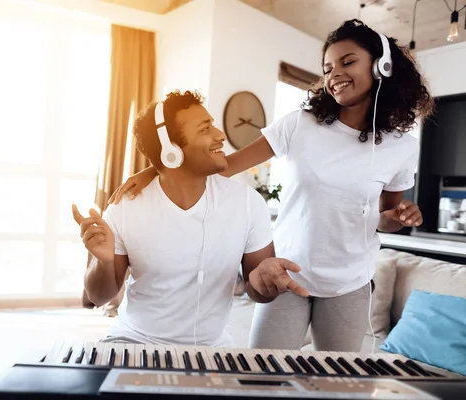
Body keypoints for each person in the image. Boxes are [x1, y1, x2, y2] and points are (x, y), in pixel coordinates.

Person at [107, 20, 434, 352]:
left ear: (382, 66)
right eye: (328, 67)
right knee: (262, 376)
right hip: (285, 273)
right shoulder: (300, 124)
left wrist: (401, 217)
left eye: (347, 62)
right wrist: (157, 168)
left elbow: (384, 218)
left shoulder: (401, 148)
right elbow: (225, 166)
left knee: (336, 385)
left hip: (349, 283)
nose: (335, 73)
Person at [71, 89, 308, 347]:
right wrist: (103, 262)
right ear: (171, 150)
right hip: (133, 340)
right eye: (205, 129)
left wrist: (264, 284)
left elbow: (257, 289)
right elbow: (98, 296)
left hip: (212, 347)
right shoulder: (125, 208)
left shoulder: (248, 203)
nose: (221, 136)